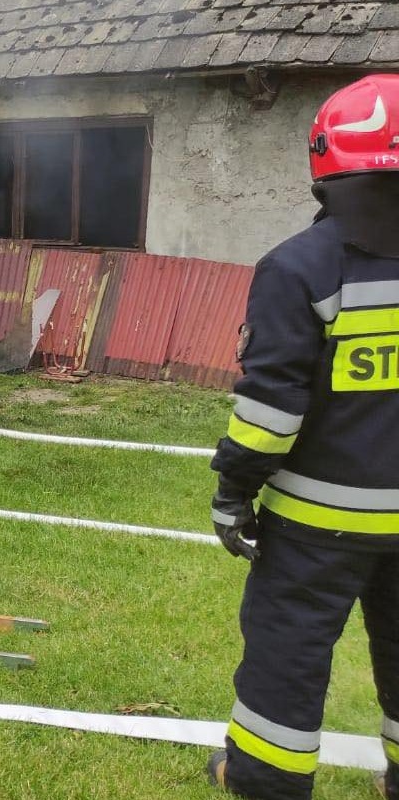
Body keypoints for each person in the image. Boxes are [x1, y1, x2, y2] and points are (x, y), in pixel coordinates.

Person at [207, 73, 399, 800]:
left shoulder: (300, 268)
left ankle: (263, 781)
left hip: (318, 529)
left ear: (325, 156)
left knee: (286, 660)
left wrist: (233, 492)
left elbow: (270, 413)